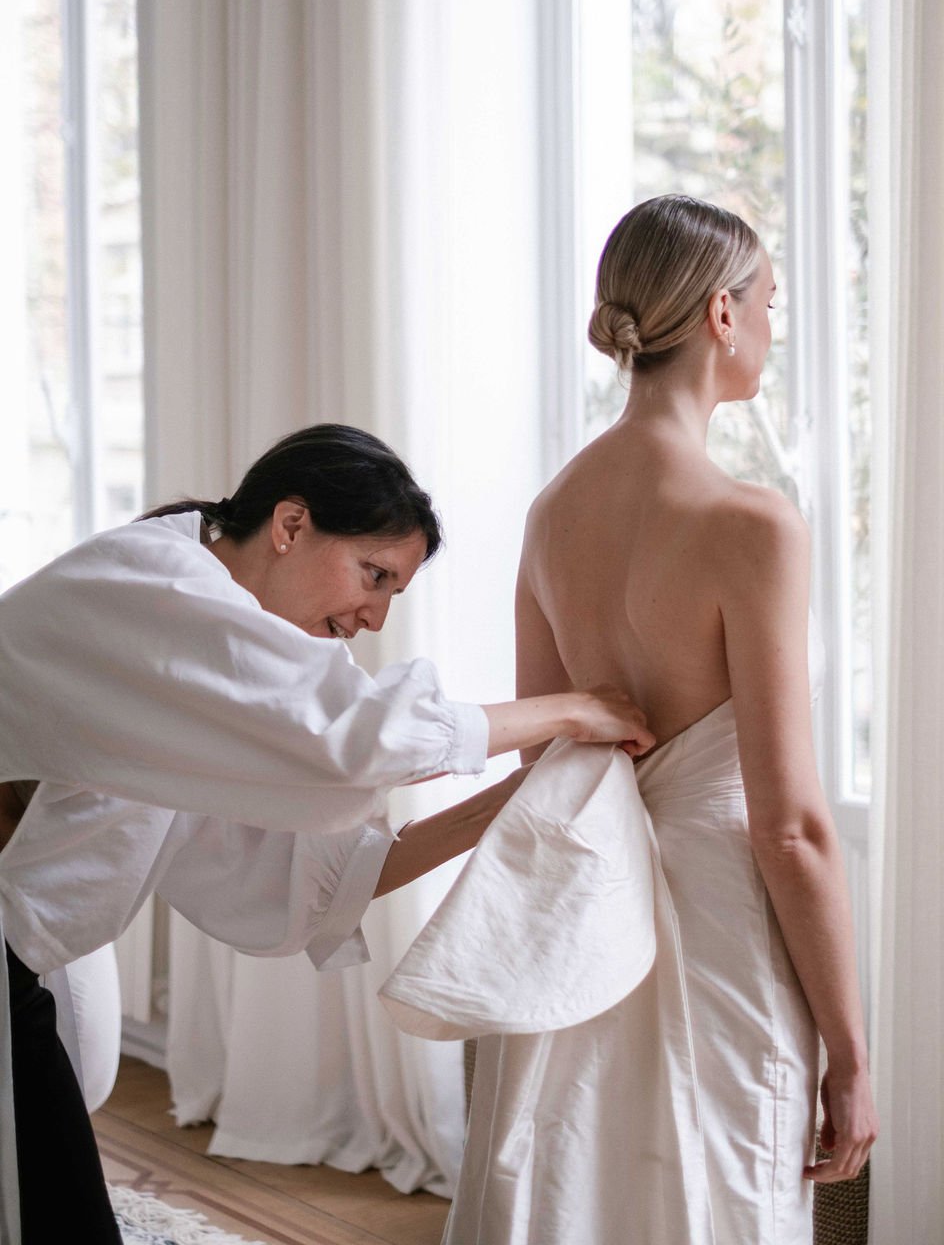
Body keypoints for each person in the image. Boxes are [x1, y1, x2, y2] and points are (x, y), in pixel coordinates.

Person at [0, 422, 651, 1245]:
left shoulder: (217, 678)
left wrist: (513, 798)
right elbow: (354, 736)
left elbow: (311, 873)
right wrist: (574, 707)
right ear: (291, 525)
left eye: (393, 595)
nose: (371, 617)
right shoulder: (157, 587)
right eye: (373, 575)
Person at [381, 198, 878, 1243]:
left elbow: (548, 749)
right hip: (716, 916)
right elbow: (789, 828)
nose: (773, 329)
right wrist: (851, 1053)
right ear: (719, 316)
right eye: (769, 304)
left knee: (576, 1184)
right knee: (717, 1189)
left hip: (578, 902)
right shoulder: (752, 525)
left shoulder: (552, 513)